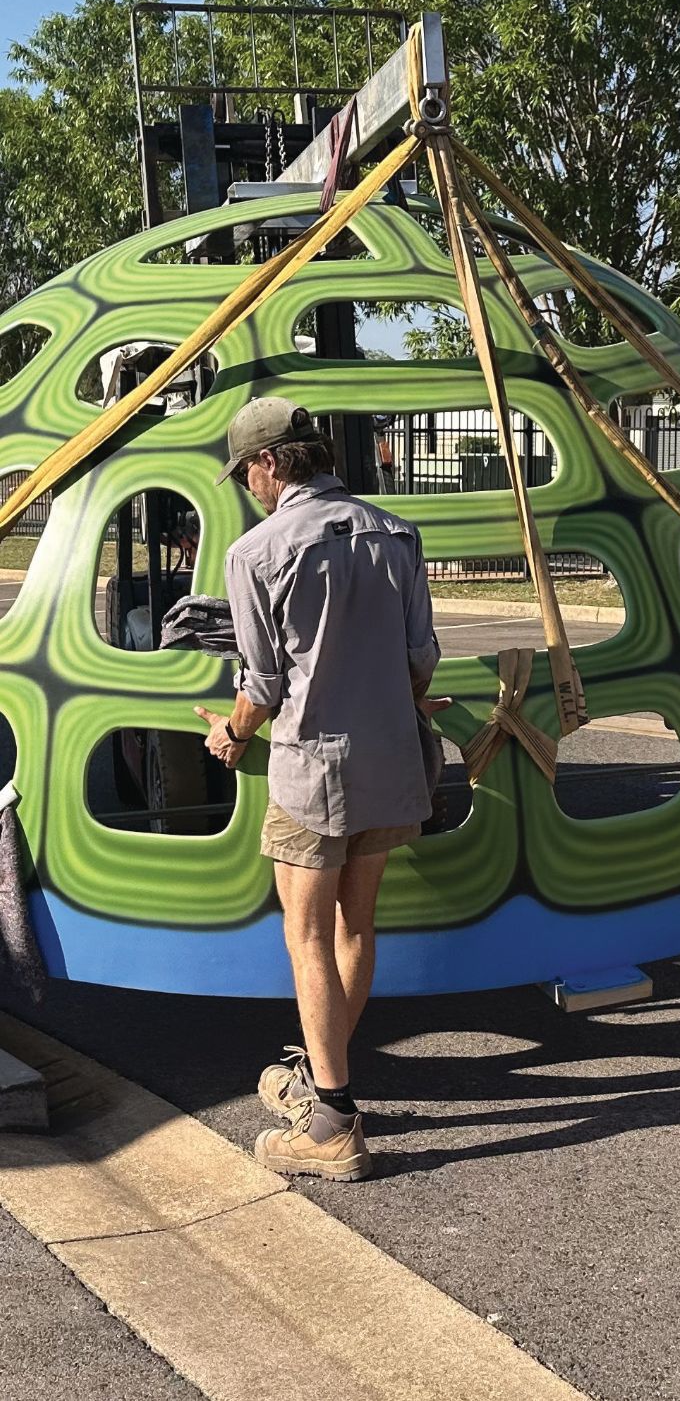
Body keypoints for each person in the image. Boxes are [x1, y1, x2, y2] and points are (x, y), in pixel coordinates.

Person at [195, 397, 442, 1181]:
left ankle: (332, 1120)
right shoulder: (397, 533)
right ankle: (320, 1078)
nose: (248, 488)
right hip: (392, 761)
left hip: (311, 771)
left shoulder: (258, 550)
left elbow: (263, 683)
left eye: (246, 475)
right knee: (355, 928)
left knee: (304, 937)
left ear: (269, 462)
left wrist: (232, 733)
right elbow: (420, 660)